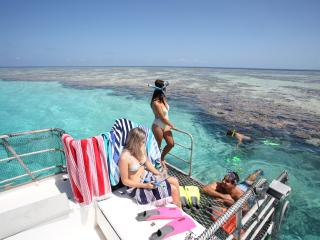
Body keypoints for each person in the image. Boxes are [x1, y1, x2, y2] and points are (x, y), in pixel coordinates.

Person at [118, 127, 181, 207]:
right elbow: (125, 181)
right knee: (173, 189)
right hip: (137, 186)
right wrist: (145, 185)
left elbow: (147, 162)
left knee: (174, 180)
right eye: (142, 141)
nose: (144, 143)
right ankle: (178, 210)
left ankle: (179, 207)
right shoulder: (124, 158)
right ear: (135, 142)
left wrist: (158, 173)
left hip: (147, 177)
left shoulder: (141, 147)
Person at [151, 79, 175, 169]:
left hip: (166, 125)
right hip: (158, 125)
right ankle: (155, 164)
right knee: (158, 146)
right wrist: (172, 125)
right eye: (165, 88)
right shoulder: (155, 102)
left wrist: (169, 125)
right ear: (161, 89)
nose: (166, 90)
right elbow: (162, 118)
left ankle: (161, 158)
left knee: (171, 144)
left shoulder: (163, 99)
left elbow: (165, 116)